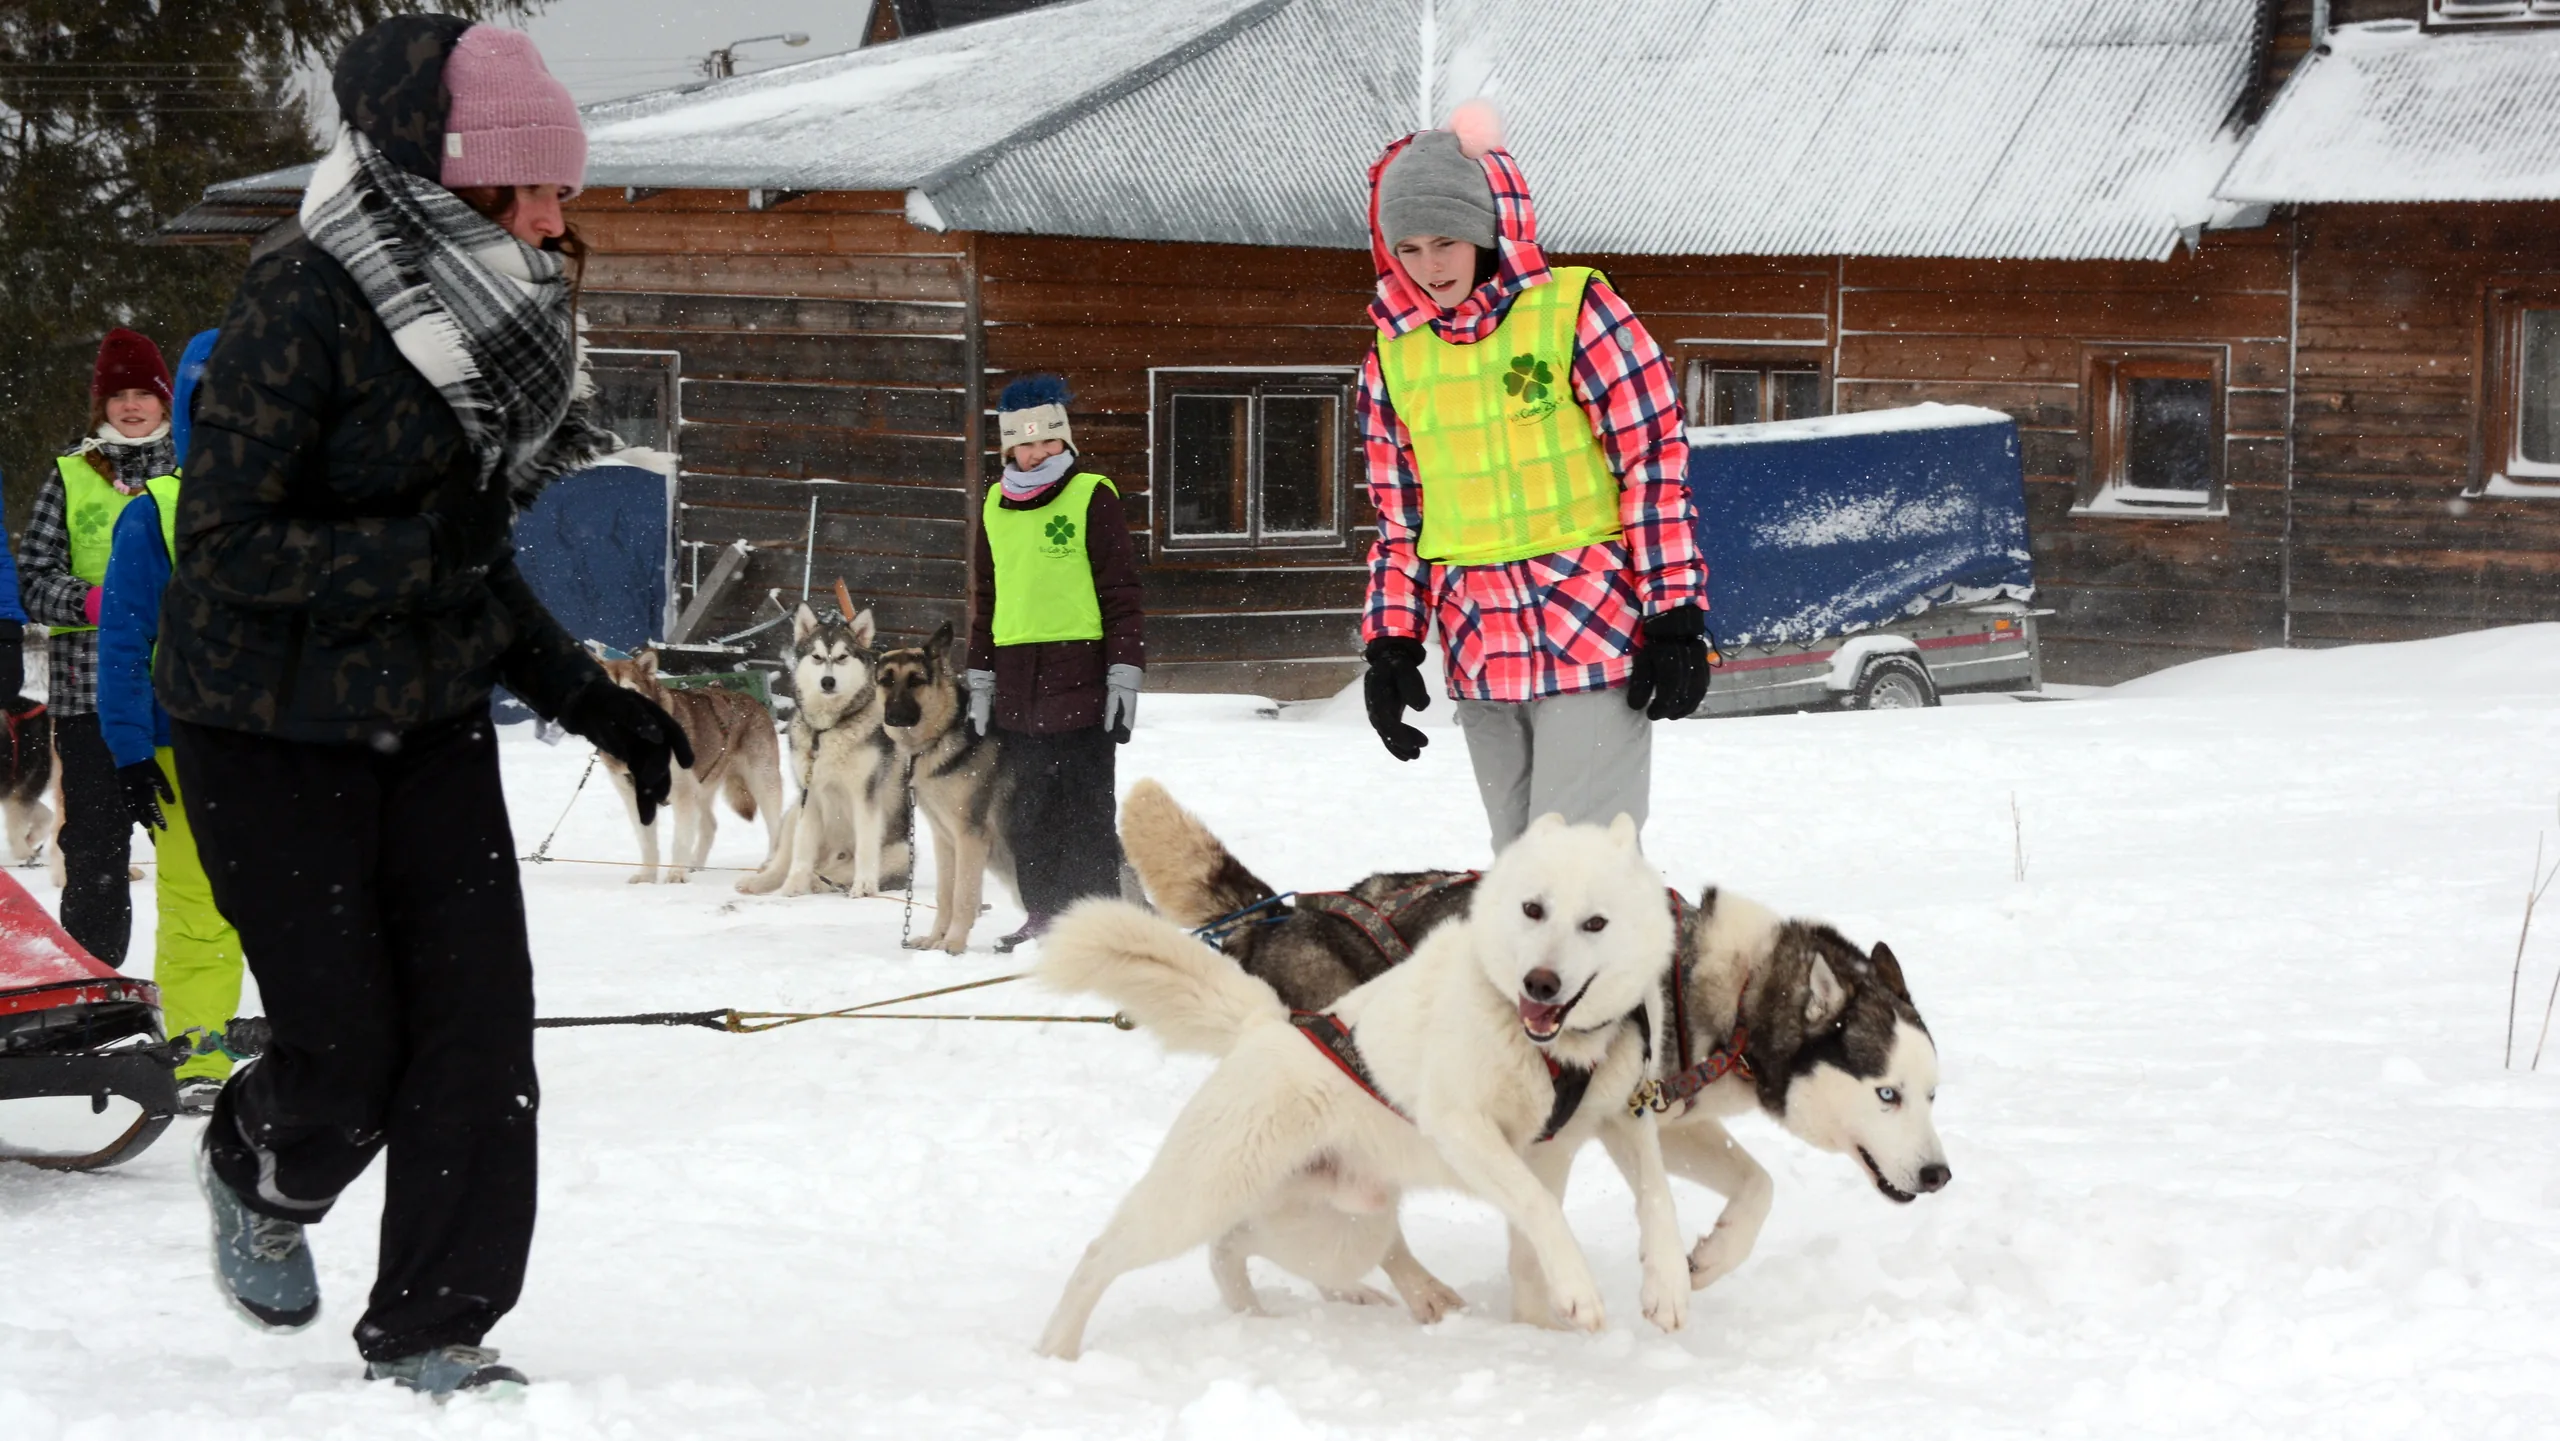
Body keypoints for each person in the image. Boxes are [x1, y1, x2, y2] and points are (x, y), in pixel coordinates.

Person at [164, 16, 689, 1397]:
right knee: (346, 1059)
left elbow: (470, 569)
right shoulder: (305, 297)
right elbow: (223, 545)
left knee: (477, 1035)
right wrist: (413, 556)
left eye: (558, 189)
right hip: (263, 728)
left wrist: (596, 703)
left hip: (427, 718)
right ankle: (259, 1159)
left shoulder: (498, 317)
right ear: (429, 176)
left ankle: (436, 1320)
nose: (552, 218)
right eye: (527, 189)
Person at [1355, 103, 1711, 853]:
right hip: (1482, 646)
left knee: (1580, 868)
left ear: (1489, 227)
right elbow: (1401, 522)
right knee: (1521, 877)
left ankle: (1634, 974)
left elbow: (1653, 466)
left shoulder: (1579, 311)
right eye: (1409, 248)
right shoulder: (1393, 356)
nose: (1430, 266)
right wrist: (1391, 642)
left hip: (1590, 628)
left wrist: (1675, 617)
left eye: (1446, 241)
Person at [97, 328, 237, 1116]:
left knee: (304, 897)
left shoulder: (298, 513)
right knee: (196, 902)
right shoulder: (156, 514)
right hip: (181, 745)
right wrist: (125, 752)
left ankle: (324, 1040)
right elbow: (123, 641)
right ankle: (198, 1044)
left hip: (285, 747)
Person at [965, 374, 1144, 952]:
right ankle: (1043, 912)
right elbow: (987, 599)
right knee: (1028, 811)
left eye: (1048, 441)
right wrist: (981, 678)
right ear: (1007, 447)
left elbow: (1120, 592)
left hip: (1083, 675)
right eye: (1024, 442)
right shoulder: (994, 504)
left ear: (1065, 441)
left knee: (1086, 808)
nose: (1036, 452)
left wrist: (1124, 672)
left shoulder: (1093, 494)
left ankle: (1093, 920)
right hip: (1018, 685)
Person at [18, 327, 176, 967]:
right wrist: (97, 604)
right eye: (118, 395)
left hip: (182, 697)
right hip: (90, 697)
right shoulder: (69, 473)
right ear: (100, 405)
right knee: (95, 855)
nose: (131, 406)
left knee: (203, 853)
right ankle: (93, 992)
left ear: (167, 402)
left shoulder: (199, 469)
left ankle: (215, 998)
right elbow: (33, 574)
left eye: (144, 393)